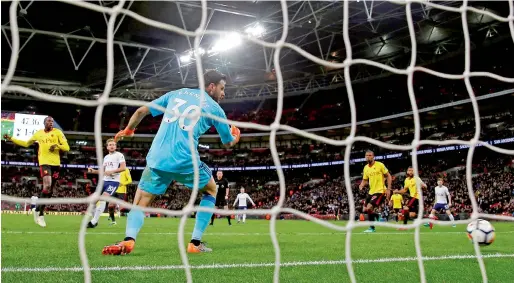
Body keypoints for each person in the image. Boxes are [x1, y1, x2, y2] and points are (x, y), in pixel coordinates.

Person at [102, 69, 240, 255]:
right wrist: (236, 136)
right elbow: (228, 142)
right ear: (211, 86)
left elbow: (141, 111)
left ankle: (128, 240)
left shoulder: (176, 93)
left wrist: (128, 130)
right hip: (185, 161)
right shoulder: (215, 109)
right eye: (222, 89)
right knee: (211, 189)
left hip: (157, 159)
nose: (223, 93)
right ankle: (194, 243)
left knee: (140, 201)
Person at [4, 116, 69, 227]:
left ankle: (38, 210)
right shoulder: (38, 133)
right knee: (47, 186)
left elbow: (66, 147)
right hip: (44, 162)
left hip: (56, 164)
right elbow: (26, 143)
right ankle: (39, 211)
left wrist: (57, 146)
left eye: (52, 121)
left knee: (50, 192)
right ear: (44, 123)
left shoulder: (58, 132)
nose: (51, 123)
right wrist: (11, 138)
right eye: (49, 121)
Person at [87, 139, 127, 228]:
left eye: (113, 144)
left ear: (116, 146)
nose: (112, 146)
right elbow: (103, 171)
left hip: (114, 181)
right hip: (104, 181)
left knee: (103, 198)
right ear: (107, 147)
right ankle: (95, 220)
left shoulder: (119, 155)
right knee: (92, 201)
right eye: (110, 144)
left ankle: (93, 222)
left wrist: (112, 171)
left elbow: (123, 168)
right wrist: (94, 171)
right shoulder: (106, 157)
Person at [358, 150, 392, 232]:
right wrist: (361, 185)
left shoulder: (380, 165)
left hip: (380, 190)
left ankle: (372, 228)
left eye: (370, 155)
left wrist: (389, 189)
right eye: (366, 155)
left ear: (373, 156)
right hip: (371, 191)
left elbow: (388, 176)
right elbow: (365, 179)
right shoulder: (365, 168)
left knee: (369, 208)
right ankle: (377, 216)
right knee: (365, 209)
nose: (368, 157)